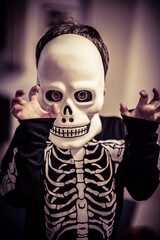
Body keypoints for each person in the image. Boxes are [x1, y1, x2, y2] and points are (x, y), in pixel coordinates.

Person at [0, 18, 160, 240]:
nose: (67, 111)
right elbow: (15, 198)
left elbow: (142, 190)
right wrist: (32, 133)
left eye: (83, 95)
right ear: (40, 89)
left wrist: (144, 137)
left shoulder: (119, 130)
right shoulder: (32, 133)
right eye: (54, 95)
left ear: (101, 93)